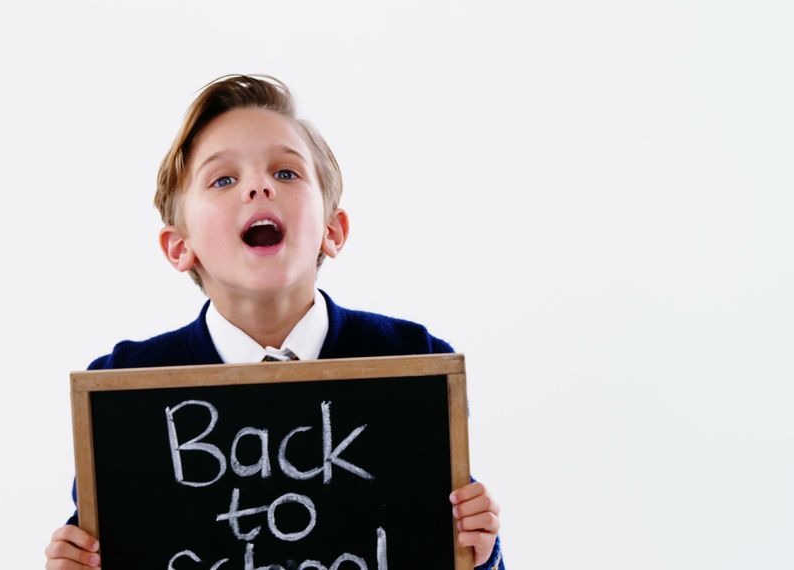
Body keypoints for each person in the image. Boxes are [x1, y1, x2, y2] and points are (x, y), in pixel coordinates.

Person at [44, 75, 503, 570]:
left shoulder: (413, 363)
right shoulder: (122, 391)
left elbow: (437, 541)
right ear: (180, 247)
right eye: (223, 179)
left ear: (332, 230)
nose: (259, 186)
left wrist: (480, 552)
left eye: (286, 173)